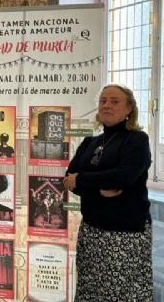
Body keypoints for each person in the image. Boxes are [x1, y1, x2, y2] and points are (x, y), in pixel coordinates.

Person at [64, 84, 152, 301]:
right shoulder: (89, 142)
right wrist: (100, 186)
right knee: (90, 289)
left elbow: (124, 175)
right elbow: (69, 178)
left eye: (114, 101)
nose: (107, 105)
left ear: (129, 108)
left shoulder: (137, 139)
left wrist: (84, 180)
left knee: (122, 292)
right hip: (92, 230)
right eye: (103, 100)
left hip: (125, 232)